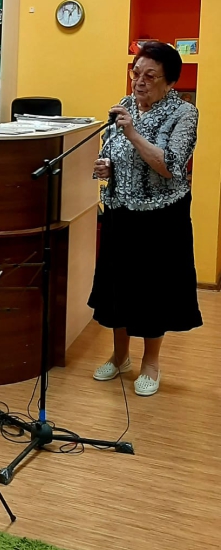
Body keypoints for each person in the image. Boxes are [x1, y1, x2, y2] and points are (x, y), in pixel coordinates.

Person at [89, 42, 202, 396]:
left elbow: (170, 166)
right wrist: (106, 166)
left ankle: (151, 363)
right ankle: (119, 356)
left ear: (170, 82)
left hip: (161, 217)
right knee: (117, 287)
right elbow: (111, 152)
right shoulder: (123, 106)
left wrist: (133, 134)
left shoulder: (184, 113)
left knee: (154, 291)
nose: (139, 81)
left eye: (150, 76)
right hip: (120, 211)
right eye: (136, 73)